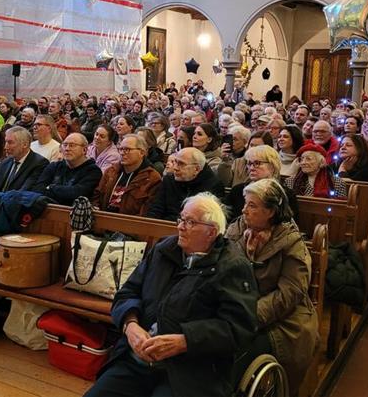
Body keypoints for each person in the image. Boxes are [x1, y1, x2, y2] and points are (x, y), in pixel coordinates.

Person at [87, 193, 258, 397]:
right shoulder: (164, 250)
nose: (180, 226)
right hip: (137, 357)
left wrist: (184, 340)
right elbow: (127, 293)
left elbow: (238, 328)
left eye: (190, 222)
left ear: (211, 232)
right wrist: (130, 326)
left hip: (189, 371)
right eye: (181, 219)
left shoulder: (231, 267)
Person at [224, 179, 319, 394]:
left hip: (282, 320)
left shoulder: (291, 242)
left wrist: (250, 315)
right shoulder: (237, 229)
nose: (243, 210)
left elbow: (289, 293)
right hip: (236, 307)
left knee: (237, 353)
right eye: (245, 203)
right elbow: (221, 267)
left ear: (270, 211)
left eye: (252, 205)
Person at [146, 148, 225, 221]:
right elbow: (155, 210)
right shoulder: (169, 180)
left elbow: (206, 220)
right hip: (164, 227)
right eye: (175, 162)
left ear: (196, 169)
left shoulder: (213, 185)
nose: (175, 168)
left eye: (181, 164)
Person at [92, 134, 161, 216]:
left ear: (142, 152)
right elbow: (97, 195)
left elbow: (146, 211)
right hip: (104, 219)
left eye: (127, 149)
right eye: (120, 149)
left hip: (130, 224)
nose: (122, 153)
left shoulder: (151, 178)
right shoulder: (111, 171)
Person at [34, 133, 102, 206]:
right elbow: (38, 189)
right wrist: (64, 193)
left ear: (84, 150)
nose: (67, 149)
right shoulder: (54, 166)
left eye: (72, 145)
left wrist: (51, 187)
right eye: (65, 145)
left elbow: (77, 194)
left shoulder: (93, 171)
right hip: (47, 209)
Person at [0, 126, 48, 194]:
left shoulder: (39, 163)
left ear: (25, 145)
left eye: (10, 142)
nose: (5, 147)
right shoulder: (6, 162)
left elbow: (24, 191)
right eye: (5, 142)